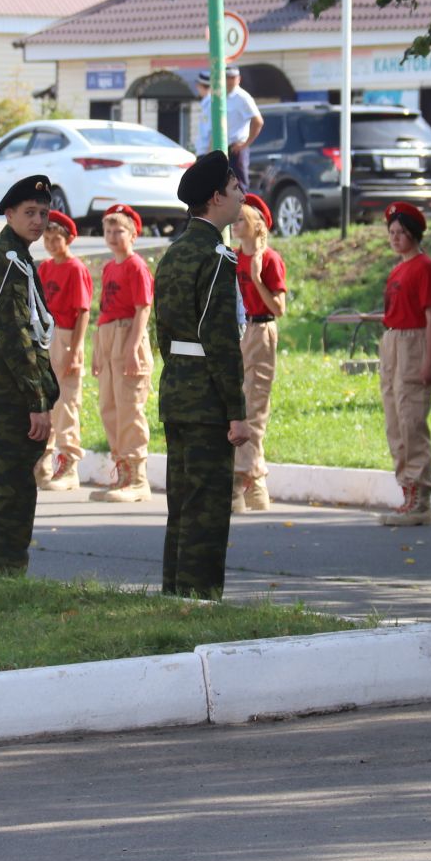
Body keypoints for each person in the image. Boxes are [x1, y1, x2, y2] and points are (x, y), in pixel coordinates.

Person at [155, 150, 249, 597]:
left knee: (182, 505)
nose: (242, 195)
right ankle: (199, 602)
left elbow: (164, 331)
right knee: (207, 510)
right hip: (208, 400)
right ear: (215, 199)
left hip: (177, 391)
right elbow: (221, 338)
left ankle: (175, 594)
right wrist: (236, 410)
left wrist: (178, 376)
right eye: (235, 189)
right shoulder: (216, 257)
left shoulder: (173, 253)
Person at [0, 175, 60, 574]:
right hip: (8, 385)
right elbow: (16, 334)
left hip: (1, 381)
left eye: (43, 212)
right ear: (9, 213)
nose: (38, 220)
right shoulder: (9, 259)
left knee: (1, 480)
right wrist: (36, 400)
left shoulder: (15, 254)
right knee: (12, 486)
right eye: (29, 213)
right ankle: (4, 571)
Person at [376, 201, 431, 527]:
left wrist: (430, 360)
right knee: (395, 419)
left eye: (402, 232)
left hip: (414, 342)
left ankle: (420, 496)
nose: (396, 237)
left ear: (414, 234)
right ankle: (406, 491)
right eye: (392, 232)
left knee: (411, 416)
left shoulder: (424, 267)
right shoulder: (398, 268)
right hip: (392, 341)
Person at [89, 203, 155, 504]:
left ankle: (137, 478)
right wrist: (96, 350)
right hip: (107, 335)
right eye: (108, 231)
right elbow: (103, 310)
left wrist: (132, 347)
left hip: (129, 333)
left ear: (133, 235)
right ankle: (122, 471)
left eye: (120, 231)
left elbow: (144, 308)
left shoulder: (135, 265)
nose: (113, 236)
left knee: (130, 406)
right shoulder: (109, 267)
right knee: (110, 406)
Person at [232, 192, 287, 513]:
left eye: (241, 219)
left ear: (256, 224)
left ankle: (242, 482)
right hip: (241, 330)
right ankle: (254, 487)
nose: (236, 224)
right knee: (239, 405)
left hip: (263, 329)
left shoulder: (269, 259)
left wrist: (256, 278)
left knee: (255, 405)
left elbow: (279, 308)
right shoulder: (234, 257)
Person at [36, 209, 91, 492]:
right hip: (46, 334)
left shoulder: (75, 268)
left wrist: (76, 348)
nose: (50, 242)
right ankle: (44, 462)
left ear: (67, 239)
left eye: (56, 237)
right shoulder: (44, 268)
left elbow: (83, 312)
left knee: (65, 401)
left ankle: (68, 463)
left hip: (66, 334)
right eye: (47, 237)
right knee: (44, 400)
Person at [193, 65, 262, 189]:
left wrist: (245, 144)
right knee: (223, 187)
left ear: (238, 79)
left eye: (232, 77)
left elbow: (258, 121)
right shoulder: (221, 97)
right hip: (222, 148)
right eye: (227, 77)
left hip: (236, 149)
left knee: (239, 186)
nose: (229, 80)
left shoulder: (242, 97)